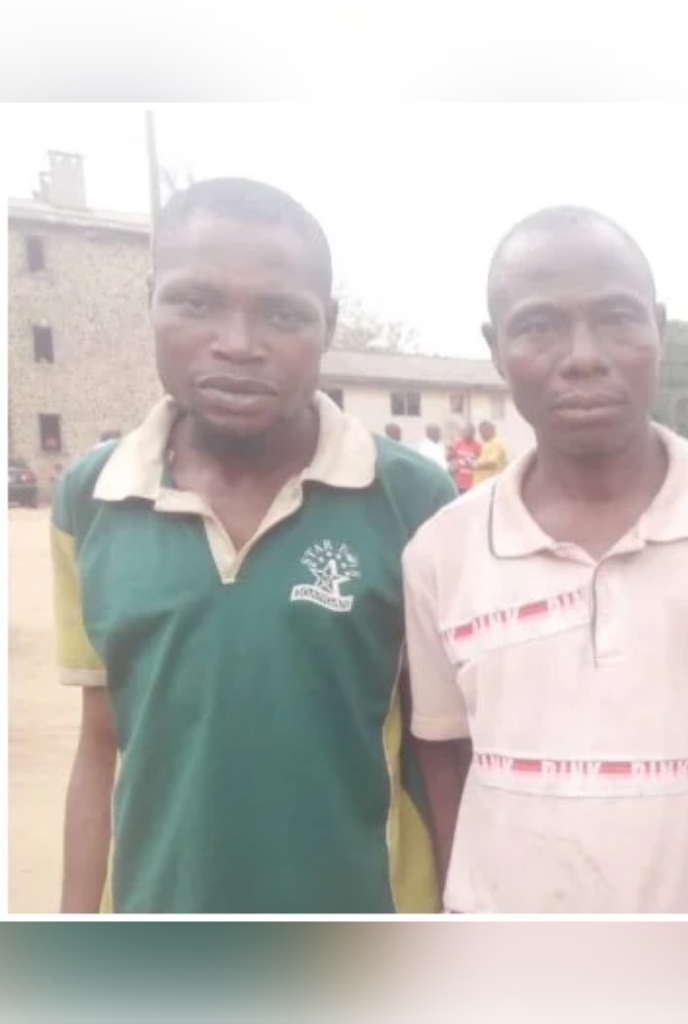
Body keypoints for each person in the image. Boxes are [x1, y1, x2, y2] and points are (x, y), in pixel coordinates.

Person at [402, 206, 688, 912]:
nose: (584, 356)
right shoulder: (441, 553)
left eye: (617, 318)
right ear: (495, 348)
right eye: (539, 325)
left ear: (658, 327)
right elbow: (446, 754)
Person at [52, 177, 455, 913]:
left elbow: (444, 750)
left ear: (328, 325)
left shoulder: (413, 501)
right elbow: (100, 743)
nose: (238, 344)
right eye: (196, 303)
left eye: (281, 313)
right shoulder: (91, 498)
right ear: (151, 300)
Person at [470, 419, 507, 486]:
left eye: (483, 432)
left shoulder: (496, 443)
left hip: (489, 485)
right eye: (480, 432)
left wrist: (476, 465)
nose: (481, 435)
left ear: (491, 430)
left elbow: (492, 463)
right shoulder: (487, 443)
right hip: (482, 485)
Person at [447, 423, 481, 495]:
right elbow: (449, 458)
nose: (467, 434)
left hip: (471, 481)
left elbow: (479, 461)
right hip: (458, 480)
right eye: (466, 431)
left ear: (474, 433)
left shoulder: (478, 445)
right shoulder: (457, 443)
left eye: (470, 432)